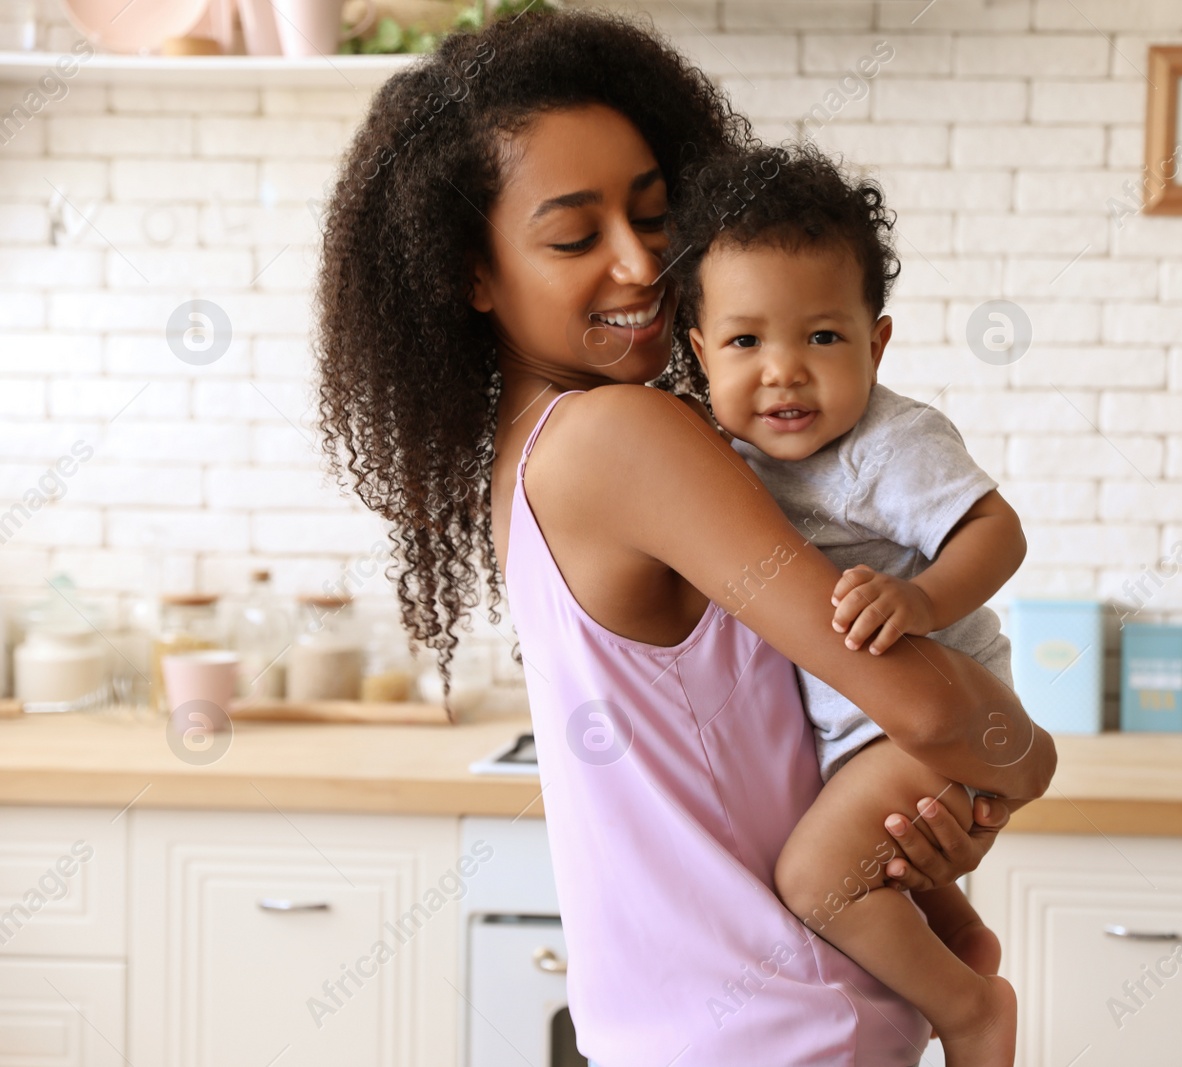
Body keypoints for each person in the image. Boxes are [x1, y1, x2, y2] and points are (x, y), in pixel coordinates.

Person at [313, 10, 1057, 1065]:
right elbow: (936, 708)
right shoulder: (627, 435)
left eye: (657, 215)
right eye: (574, 236)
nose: (639, 263)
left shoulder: (529, 454)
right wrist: (1020, 761)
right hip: (786, 1030)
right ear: (469, 272)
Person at [670, 143, 1026, 1067]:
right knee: (879, 860)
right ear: (702, 352)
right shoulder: (717, 453)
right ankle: (960, 944)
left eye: (821, 337)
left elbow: (997, 529)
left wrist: (918, 595)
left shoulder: (891, 444)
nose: (783, 371)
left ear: (877, 342)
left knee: (817, 878)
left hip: (923, 725)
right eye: (747, 342)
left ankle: (969, 1009)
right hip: (856, 734)